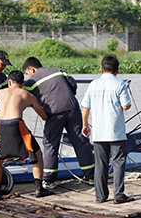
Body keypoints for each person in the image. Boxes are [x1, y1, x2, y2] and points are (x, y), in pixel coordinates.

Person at [22, 57, 95, 190]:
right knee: (81, 142)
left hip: (54, 113)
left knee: (50, 145)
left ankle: (49, 180)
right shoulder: (58, 71)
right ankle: (90, 177)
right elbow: (73, 85)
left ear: (31, 69)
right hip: (73, 108)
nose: (28, 76)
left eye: (28, 73)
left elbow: (25, 99)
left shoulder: (31, 82)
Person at [0, 70, 53, 200]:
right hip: (16, 125)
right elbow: (44, 116)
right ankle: (39, 188)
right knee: (37, 154)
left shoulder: (2, 91)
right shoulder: (28, 95)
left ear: (9, 82)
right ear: (23, 83)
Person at [81, 55, 134, 204]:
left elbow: (85, 107)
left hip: (98, 132)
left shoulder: (93, 84)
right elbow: (125, 106)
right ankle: (118, 194)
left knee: (100, 164)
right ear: (117, 70)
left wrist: (85, 124)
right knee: (118, 162)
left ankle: (100, 196)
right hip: (116, 132)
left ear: (101, 69)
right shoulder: (120, 84)